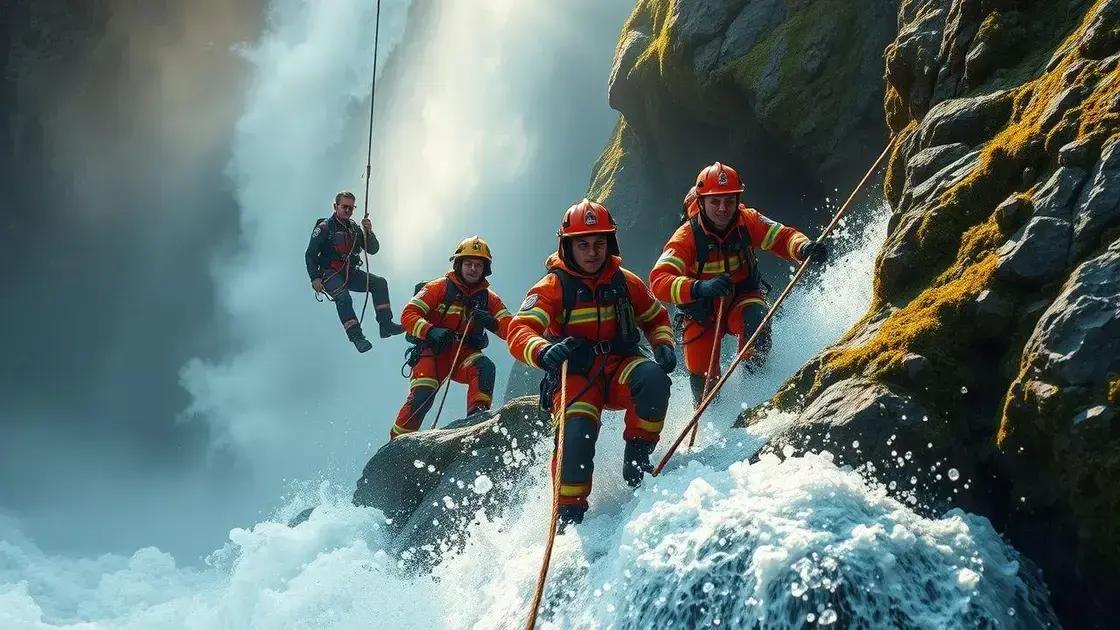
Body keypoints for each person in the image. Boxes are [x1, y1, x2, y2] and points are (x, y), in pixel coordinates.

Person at [507, 199, 676, 527]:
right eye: (582, 244)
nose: (592, 252)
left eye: (599, 243)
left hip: (619, 369)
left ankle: (638, 460)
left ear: (610, 243)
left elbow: (655, 317)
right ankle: (568, 517)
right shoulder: (553, 287)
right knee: (577, 436)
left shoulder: (625, 281)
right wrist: (543, 351)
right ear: (567, 246)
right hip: (577, 379)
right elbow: (520, 330)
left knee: (654, 379)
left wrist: (663, 344)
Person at [650, 162, 827, 406]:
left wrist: (804, 247)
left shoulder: (748, 220)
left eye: (729, 201)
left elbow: (783, 236)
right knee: (703, 380)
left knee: (758, 321)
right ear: (701, 202)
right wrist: (700, 287)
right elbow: (659, 280)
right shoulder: (685, 237)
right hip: (700, 313)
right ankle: (711, 417)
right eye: (715, 201)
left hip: (741, 299)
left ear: (737, 200)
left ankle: (754, 396)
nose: (723, 208)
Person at [390, 237, 513, 439]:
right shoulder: (438, 287)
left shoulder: (489, 299)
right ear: (458, 264)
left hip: (463, 355)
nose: (473, 269)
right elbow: (408, 315)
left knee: (484, 367)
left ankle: (477, 421)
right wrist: (430, 331)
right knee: (422, 396)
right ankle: (396, 442)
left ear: (485, 269)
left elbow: (512, 329)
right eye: (468, 264)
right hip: (432, 353)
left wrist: (493, 323)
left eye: (478, 265)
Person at [305, 191, 404, 352]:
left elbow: (373, 249)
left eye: (351, 208)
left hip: (349, 272)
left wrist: (368, 232)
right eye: (344, 207)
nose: (348, 211)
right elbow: (310, 254)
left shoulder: (354, 228)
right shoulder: (324, 228)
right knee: (343, 297)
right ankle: (357, 337)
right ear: (335, 206)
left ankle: (385, 325)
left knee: (379, 283)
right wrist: (314, 278)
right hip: (329, 273)